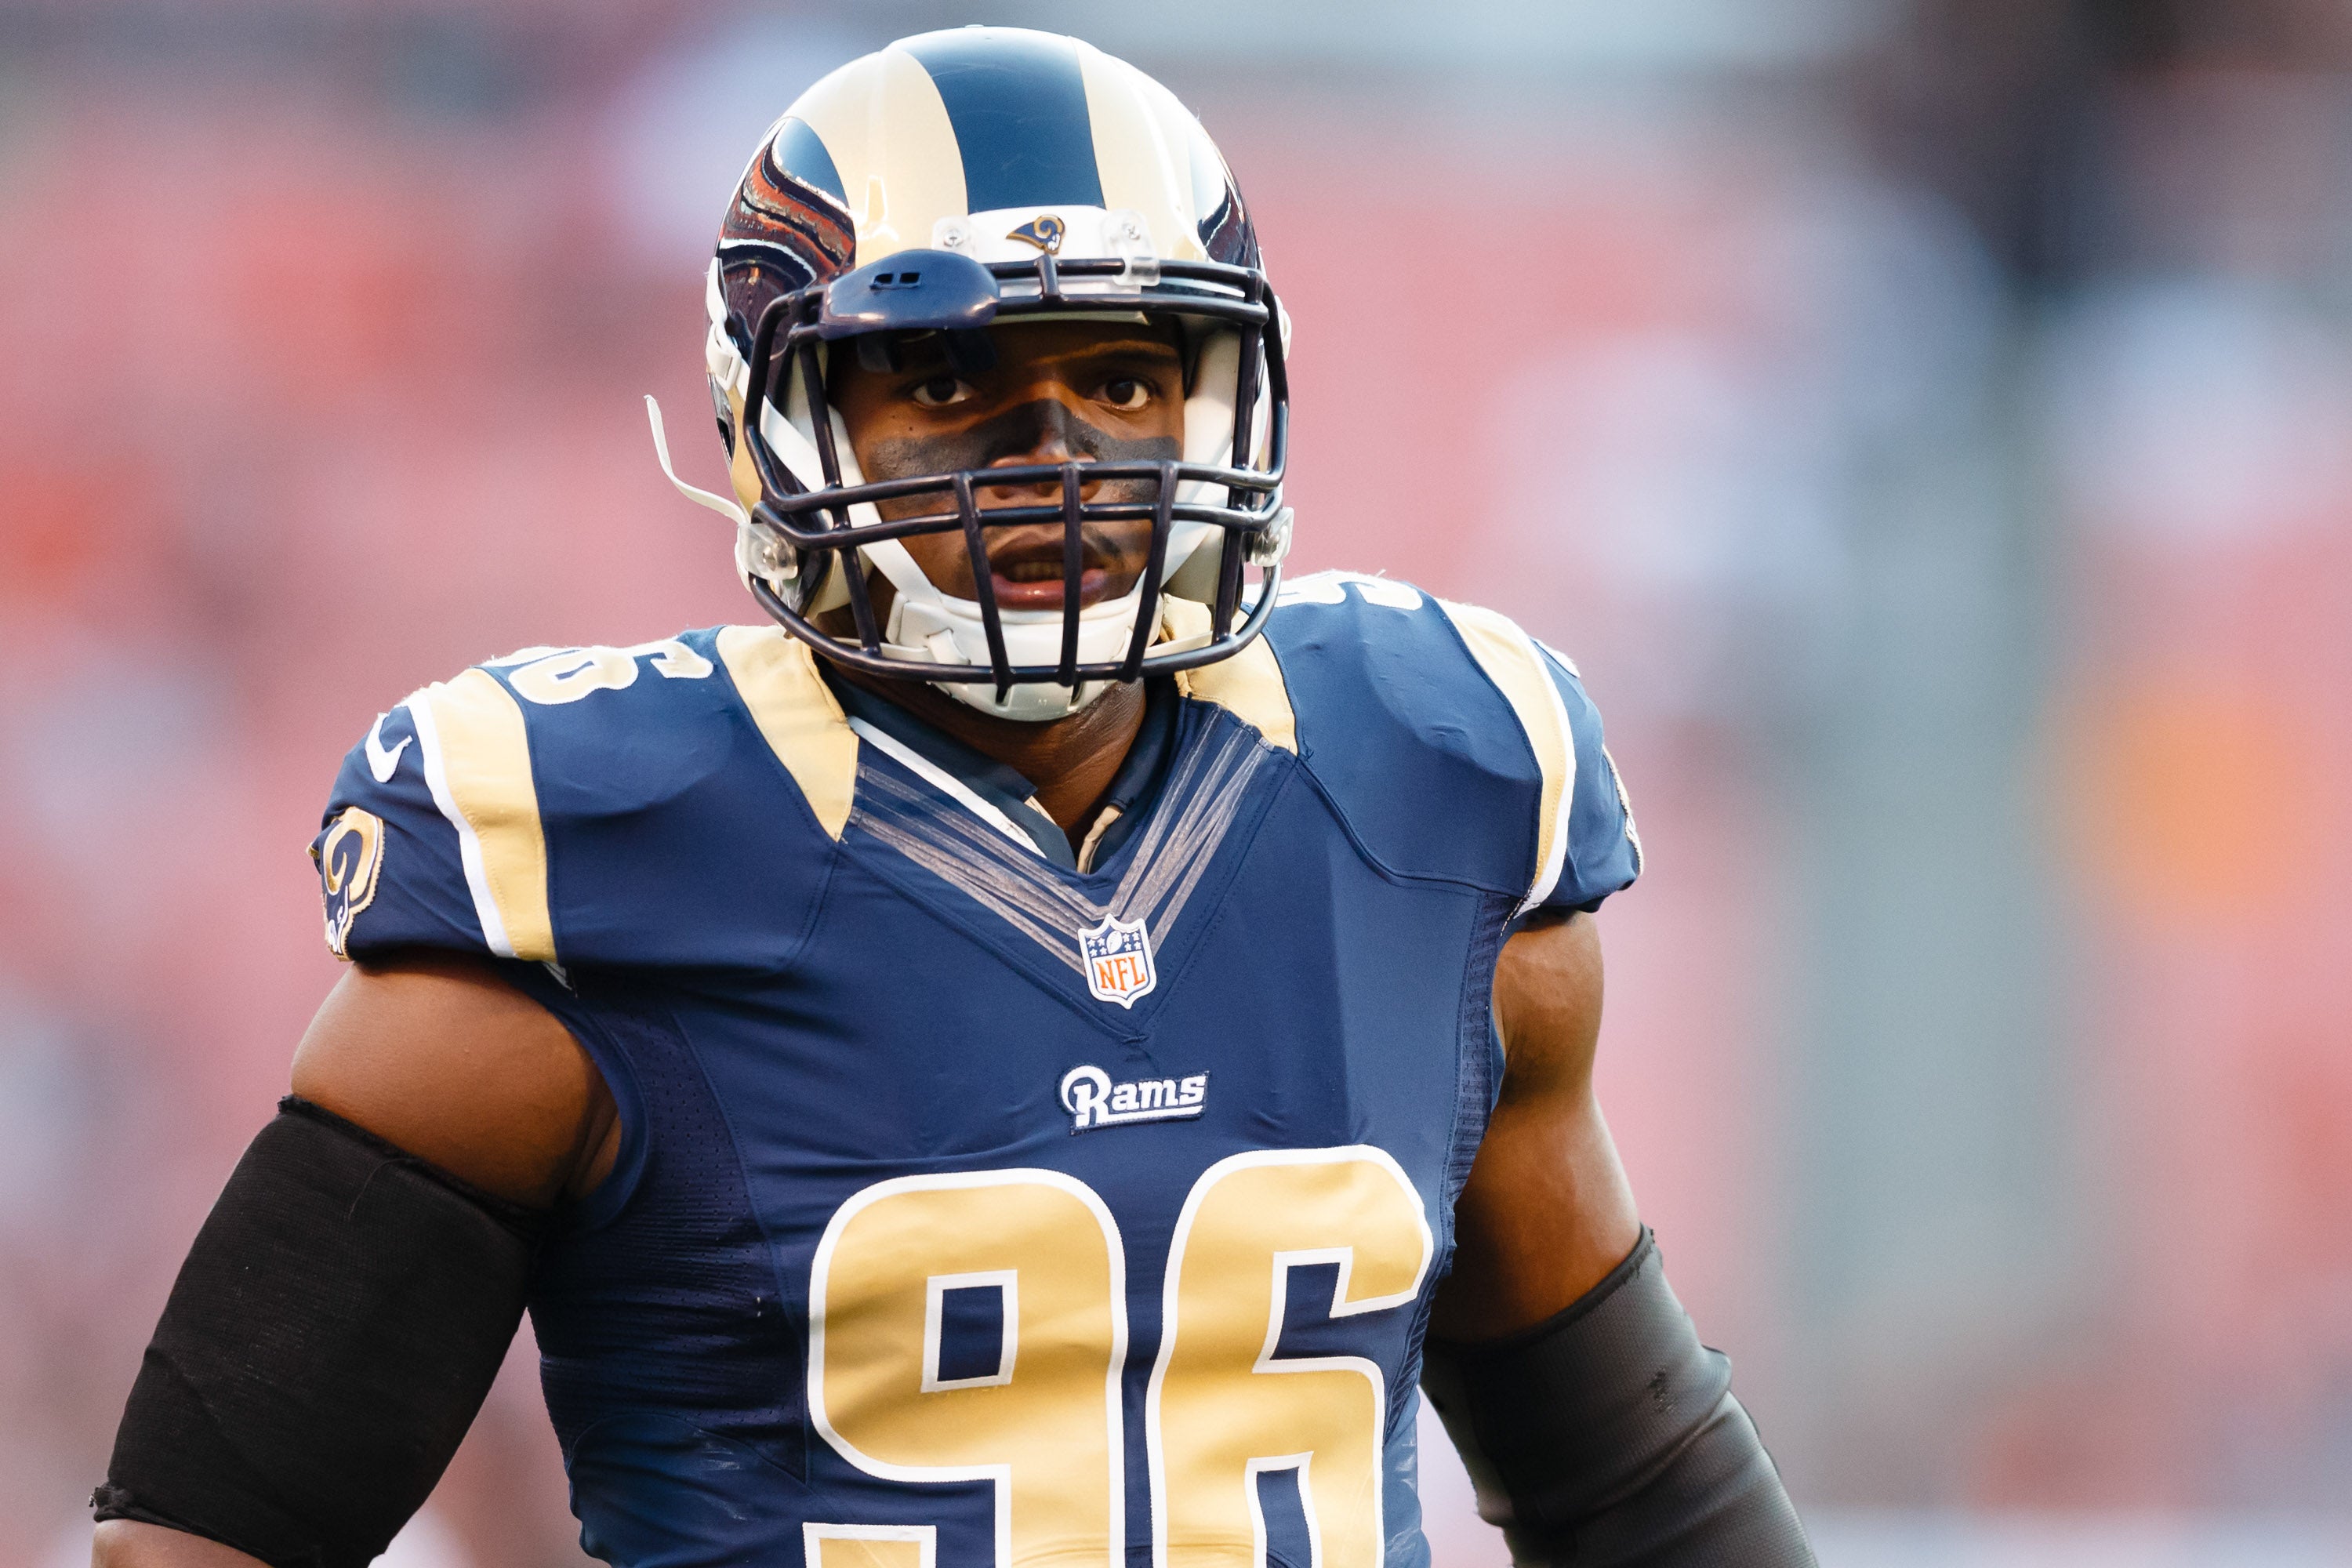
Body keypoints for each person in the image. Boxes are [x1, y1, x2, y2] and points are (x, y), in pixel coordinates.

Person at [93, 27, 1812, 1568]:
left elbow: (1635, 1490)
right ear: (780, 418)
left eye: (1124, 381)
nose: (1051, 461)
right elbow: (211, 1531)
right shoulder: (588, 865)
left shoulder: (1430, 792)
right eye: (942, 384)